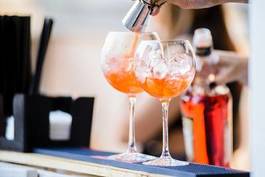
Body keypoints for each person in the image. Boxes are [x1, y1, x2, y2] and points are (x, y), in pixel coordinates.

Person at [117, 3, 249, 169]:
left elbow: (129, 130)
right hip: (216, 166)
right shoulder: (227, 46)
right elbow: (236, 141)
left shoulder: (182, 52)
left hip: (180, 168)